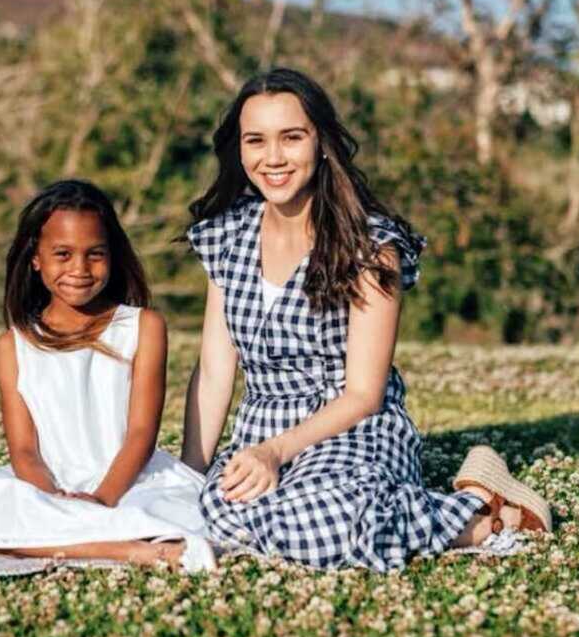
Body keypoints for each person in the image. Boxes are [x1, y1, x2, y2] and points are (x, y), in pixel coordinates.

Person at [181, 68, 551, 571]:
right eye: (256, 140)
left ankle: (486, 515)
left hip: (353, 427)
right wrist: (189, 479)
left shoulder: (371, 248)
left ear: (322, 143)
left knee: (325, 518)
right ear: (239, 149)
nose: (273, 158)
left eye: (291, 138)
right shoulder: (227, 237)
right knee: (212, 512)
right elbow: (214, 374)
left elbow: (363, 394)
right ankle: (443, 508)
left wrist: (276, 452)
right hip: (261, 428)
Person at [0, 180, 215, 572]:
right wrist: (54, 499)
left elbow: (142, 432)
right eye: (62, 254)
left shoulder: (144, 326)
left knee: (183, 515)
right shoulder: (13, 345)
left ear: (112, 256)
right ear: (35, 258)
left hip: (127, 478)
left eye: (95, 254)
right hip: (47, 483)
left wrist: (102, 500)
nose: (79, 269)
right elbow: (24, 450)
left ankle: (15, 549)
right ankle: (129, 550)